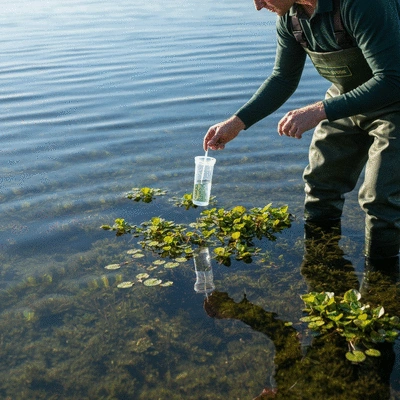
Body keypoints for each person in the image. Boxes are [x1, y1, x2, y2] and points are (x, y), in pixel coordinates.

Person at [203, 0, 400, 265]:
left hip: (395, 102)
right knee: (321, 184)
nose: (258, 6)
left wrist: (319, 111)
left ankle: (381, 284)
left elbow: (392, 79)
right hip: (345, 100)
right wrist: (237, 123)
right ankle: (322, 266)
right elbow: (283, 78)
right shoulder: (290, 18)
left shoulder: (362, 5)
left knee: (380, 200)